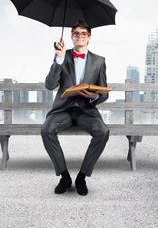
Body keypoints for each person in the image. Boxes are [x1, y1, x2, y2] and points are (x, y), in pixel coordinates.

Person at [41, 20, 110, 196]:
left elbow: (104, 93)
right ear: (71, 36)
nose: (80, 36)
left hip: (86, 110)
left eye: (83, 34)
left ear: (89, 37)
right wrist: (59, 58)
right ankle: (64, 176)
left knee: (103, 131)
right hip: (63, 110)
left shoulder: (99, 61)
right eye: (76, 33)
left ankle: (82, 177)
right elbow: (50, 85)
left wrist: (95, 96)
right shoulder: (62, 56)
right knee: (46, 129)